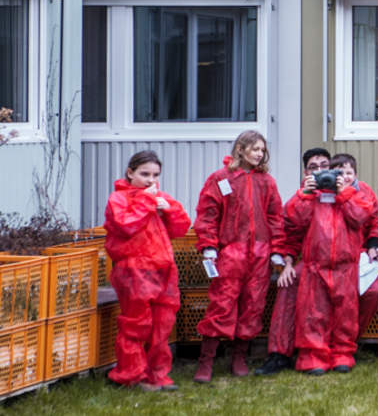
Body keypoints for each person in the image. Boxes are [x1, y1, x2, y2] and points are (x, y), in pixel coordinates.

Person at [255, 150, 378, 376]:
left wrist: (373, 246)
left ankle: (342, 350)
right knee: (308, 305)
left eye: (325, 166)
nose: (321, 172)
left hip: (352, 259)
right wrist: (288, 262)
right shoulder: (309, 193)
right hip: (314, 260)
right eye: (313, 168)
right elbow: (292, 226)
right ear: (306, 172)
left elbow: (369, 218)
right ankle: (288, 354)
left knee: (350, 308)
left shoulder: (356, 189)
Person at [192, 130, 285, 383]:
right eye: (255, 149)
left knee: (253, 306)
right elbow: (208, 213)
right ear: (240, 149)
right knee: (222, 305)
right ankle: (206, 361)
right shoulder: (221, 179)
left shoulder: (267, 182)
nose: (259, 154)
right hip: (231, 253)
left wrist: (277, 250)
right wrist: (209, 245)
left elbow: (275, 217)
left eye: (262, 150)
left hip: (260, 256)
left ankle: (239, 358)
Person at [103, 151, 191, 392]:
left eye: (155, 175)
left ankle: (157, 376)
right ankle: (131, 376)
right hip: (134, 271)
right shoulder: (119, 198)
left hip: (163, 269)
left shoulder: (158, 197)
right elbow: (125, 225)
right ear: (130, 173)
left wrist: (169, 209)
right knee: (136, 325)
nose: (150, 180)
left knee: (162, 326)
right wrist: (148, 202)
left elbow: (181, 228)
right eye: (144, 174)